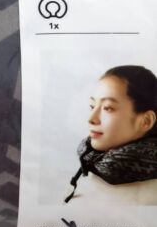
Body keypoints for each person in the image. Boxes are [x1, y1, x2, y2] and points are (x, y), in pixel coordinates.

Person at [65, 65, 157, 203]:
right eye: (92, 106)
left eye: (108, 108)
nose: (91, 119)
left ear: (146, 121)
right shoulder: (92, 163)